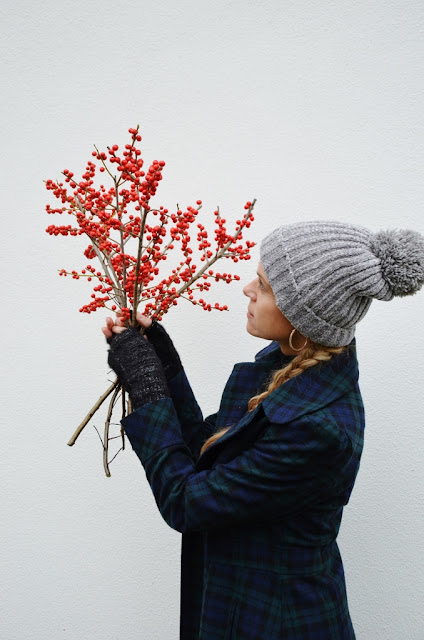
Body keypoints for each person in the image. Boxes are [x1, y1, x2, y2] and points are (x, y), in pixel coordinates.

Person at [101, 220, 424, 640]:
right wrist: (164, 366)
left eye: (265, 286)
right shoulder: (288, 370)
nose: (247, 289)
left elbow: (186, 502)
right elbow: (207, 455)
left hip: (279, 623)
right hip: (242, 606)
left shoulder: (318, 430)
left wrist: (147, 389)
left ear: (303, 314)